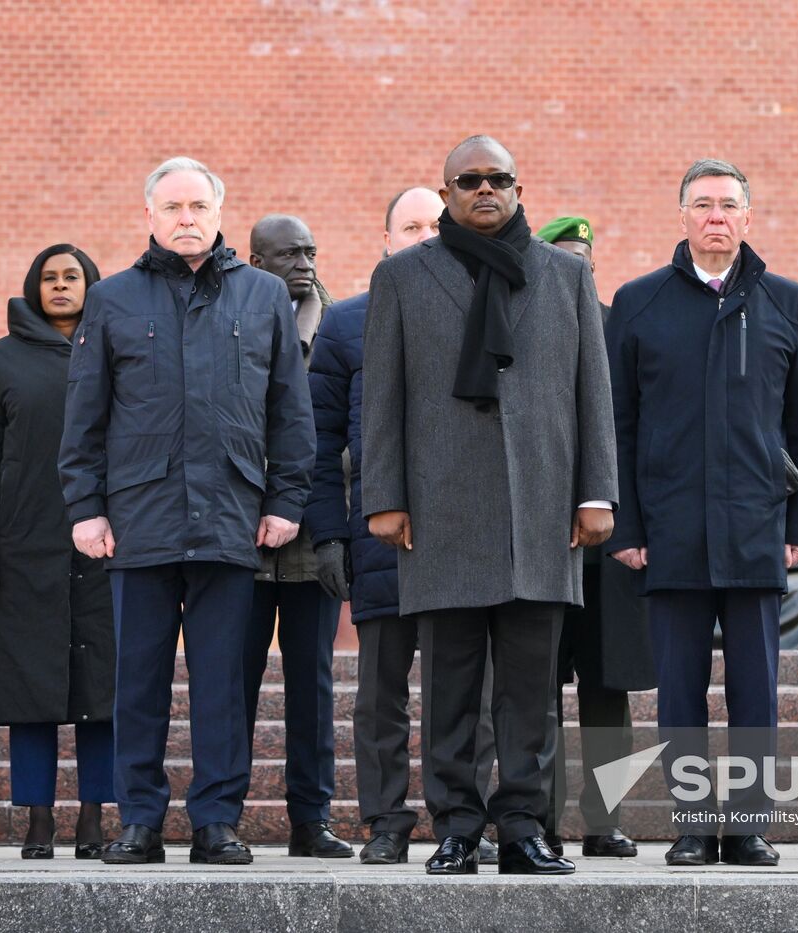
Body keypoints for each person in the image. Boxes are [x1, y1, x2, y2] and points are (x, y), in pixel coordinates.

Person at [362, 136, 617, 876]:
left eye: (496, 179)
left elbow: (591, 394)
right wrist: (385, 497)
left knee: (532, 690)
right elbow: (381, 399)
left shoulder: (564, 275)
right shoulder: (404, 278)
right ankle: (457, 826)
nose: (484, 190)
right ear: (445, 195)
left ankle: (523, 826)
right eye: (467, 180)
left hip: (543, 505)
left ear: (516, 186)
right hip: (441, 508)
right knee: (449, 686)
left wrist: (596, 491)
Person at [59, 157, 315, 866]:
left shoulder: (263, 296)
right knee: (136, 682)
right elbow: (84, 415)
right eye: (172, 207)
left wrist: (286, 499)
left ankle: (216, 823)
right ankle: (138, 820)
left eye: (198, 206)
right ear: (149, 216)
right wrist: (87, 507)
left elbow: (289, 412)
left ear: (218, 212)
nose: (186, 218)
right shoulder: (112, 299)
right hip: (138, 521)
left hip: (232, 518)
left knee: (223, 685)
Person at [605, 160, 798, 868]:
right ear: (683, 217)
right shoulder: (639, 304)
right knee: (680, 693)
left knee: (756, 692)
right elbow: (620, 426)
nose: (716, 217)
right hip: (670, 535)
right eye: (703, 205)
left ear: (749, 218)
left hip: (757, 531)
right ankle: (694, 825)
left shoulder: (788, 303)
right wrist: (628, 529)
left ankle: (750, 825)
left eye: (729, 205)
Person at [304, 186, 501, 866]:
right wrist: (329, 533)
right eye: (408, 225)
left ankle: (459, 819)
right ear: (385, 238)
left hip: (460, 543)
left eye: (431, 224)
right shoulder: (347, 323)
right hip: (382, 538)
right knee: (380, 697)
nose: (422, 235)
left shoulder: (481, 311)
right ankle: (386, 820)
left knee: (465, 696)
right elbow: (320, 440)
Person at [0, 244, 116, 860]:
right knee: (30, 691)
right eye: (48, 278)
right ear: (33, 287)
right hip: (23, 550)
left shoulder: (117, 345)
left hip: (105, 547)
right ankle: (39, 820)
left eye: (71, 277)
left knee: (103, 690)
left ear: (90, 286)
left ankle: (95, 819)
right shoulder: (3, 359)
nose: (59, 287)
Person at [536, 215, 651, 858]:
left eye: (585, 255)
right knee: (538, 688)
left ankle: (604, 822)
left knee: (607, 692)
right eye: (564, 255)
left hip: (609, 545)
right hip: (543, 540)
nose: (577, 265)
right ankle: (543, 822)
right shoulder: (523, 326)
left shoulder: (620, 329)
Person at [242, 214, 351, 858]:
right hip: (242, 539)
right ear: (257, 262)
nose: (304, 261)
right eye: (288, 253)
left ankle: (311, 819)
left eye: (310, 250)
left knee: (312, 685)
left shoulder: (336, 325)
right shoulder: (232, 319)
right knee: (234, 680)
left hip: (317, 539)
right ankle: (222, 814)